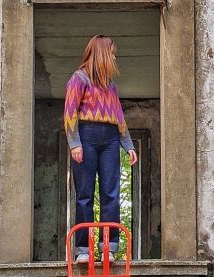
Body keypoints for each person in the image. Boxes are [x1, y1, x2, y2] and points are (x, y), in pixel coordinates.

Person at [64, 34, 138, 263]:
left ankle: (109, 248)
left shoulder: (111, 86)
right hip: (86, 136)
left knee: (111, 194)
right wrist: (75, 143)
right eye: (112, 53)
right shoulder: (79, 79)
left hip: (111, 139)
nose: (114, 58)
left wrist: (129, 146)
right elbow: (69, 114)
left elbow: (119, 118)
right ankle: (83, 250)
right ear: (103, 54)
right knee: (85, 195)